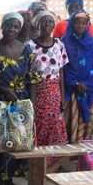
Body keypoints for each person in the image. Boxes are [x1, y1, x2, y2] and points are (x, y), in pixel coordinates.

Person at [0, 12, 35, 185]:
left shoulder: (27, 50)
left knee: (16, 141)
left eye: (16, 26)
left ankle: (10, 178)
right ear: (2, 26)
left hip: (20, 102)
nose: (12, 29)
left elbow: (32, 79)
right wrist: (4, 91)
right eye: (9, 25)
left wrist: (31, 105)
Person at [28, 11, 70, 147]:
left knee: (55, 125)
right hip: (37, 91)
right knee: (38, 125)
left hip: (54, 92)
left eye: (50, 21)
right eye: (44, 21)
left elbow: (61, 72)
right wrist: (32, 102)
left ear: (54, 25)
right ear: (37, 25)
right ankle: (38, 162)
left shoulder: (59, 45)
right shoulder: (30, 47)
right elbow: (28, 75)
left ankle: (53, 163)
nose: (47, 25)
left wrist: (63, 97)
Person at [62, 10, 93, 143]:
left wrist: (88, 84)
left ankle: (85, 155)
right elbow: (63, 66)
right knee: (70, 121)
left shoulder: (91, 42)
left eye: (84, 23)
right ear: (72, 24)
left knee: (88, 123)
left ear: (87, 25)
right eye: (77, 23)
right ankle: (70, 154)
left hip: (87, 89)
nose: (80, 26)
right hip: (72, 89)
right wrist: (74, 83)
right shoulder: (64, 42)